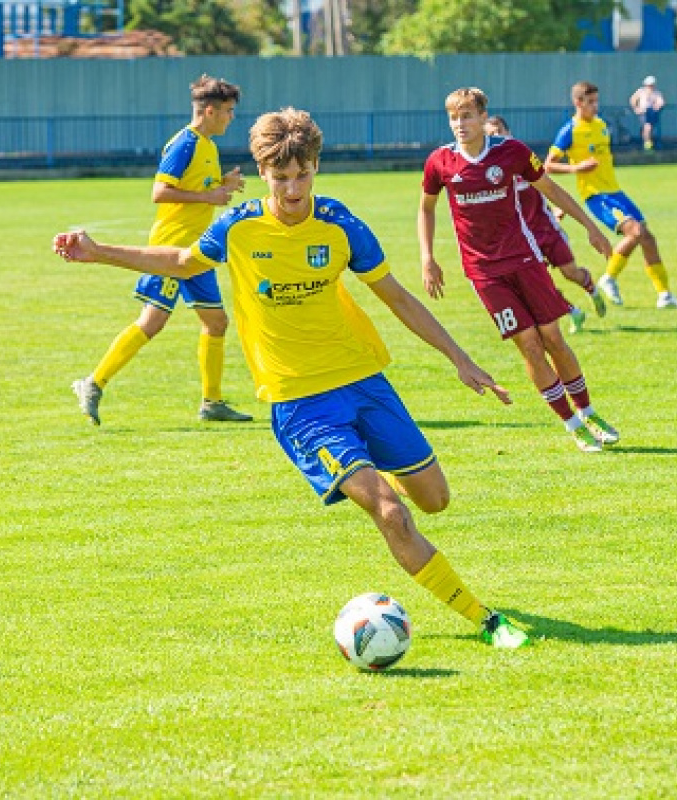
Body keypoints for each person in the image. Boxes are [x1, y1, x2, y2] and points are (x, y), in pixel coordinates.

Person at [55, 107, 530, 648]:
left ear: (315, 168)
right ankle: (486, 620)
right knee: (391, 512)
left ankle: (380, 481)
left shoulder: (340, 224)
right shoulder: (239, 226)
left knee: (434, 500)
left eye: (302, 175)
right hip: (301, 404)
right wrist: (97, 253)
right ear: (263, 174)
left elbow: (396, 296)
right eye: (281, 178)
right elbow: (182, 260)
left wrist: (459, 359)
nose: (293, 187)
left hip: (363, 383)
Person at [419, 87, 619, 454]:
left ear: (483, 118)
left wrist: (590, 226)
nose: (459, 124)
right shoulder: (440, 163)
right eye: (453, 117)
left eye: (466, 116)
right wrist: (427, 257)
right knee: (529, 344)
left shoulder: (512, 153)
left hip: (524, 259)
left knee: (553, 338)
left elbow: (551, 189)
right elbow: (427, 208)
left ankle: (590, 412)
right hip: (484, 272)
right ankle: (573, 425)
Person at [71, 74, 253, 426]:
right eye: (229, 111)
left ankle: (212, 402)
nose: (232, 118)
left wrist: (221, 184)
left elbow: (197, 188)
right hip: (170, 249)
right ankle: (92, 383)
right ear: (210, 111)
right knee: (152, 322)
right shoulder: (184, 144)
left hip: (197, 252)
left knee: (216, 323)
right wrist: (209, 196)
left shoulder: (208, 146)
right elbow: (160, 192)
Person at [545, 80, 676, 310]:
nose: (595, 106)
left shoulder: (601, 125)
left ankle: (664, 295)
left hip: (616, 192)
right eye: (591, 102)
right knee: (636, 231)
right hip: (597, 196)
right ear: (578, 102)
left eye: (597, 101)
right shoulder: (570, 130)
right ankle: (609, 278)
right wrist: (576, 168)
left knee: (647, 238)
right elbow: (548, 166)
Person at [484, 115, 606, 334]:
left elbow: (547, 186)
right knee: (539, 283)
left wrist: (556, 210)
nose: (494, 137)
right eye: (489, 134)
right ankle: (573, 311)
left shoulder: (520, 157)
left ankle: (591, 288)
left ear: (507, 131)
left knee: (570, 273)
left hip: (547, 230)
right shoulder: (491, 171)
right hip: (522, 239)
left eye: (497, 131)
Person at [629, 75, 664, 151]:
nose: (650, 87)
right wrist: (636, 108)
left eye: (651, 85)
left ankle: (648, 142)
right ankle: (647, 143)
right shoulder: (640, 91)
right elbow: (633, 99)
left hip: (652, 112)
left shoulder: (656, 92)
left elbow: (660, 101)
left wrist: (658, 106)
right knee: (647, 126)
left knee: (649, 128)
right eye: (649, 85)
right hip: (643, 112)